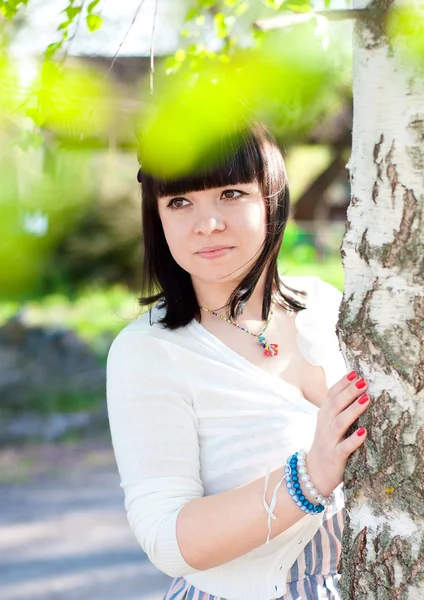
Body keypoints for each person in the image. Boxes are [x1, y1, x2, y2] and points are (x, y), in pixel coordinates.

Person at [106, 121, 370, 600]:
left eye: (230, 193)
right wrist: (308, 476)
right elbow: (167, 538)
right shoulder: (148, 351)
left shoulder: (326, 305)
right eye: (180, 202)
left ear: (272, 196)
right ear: (158, 216)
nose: (207, 223)